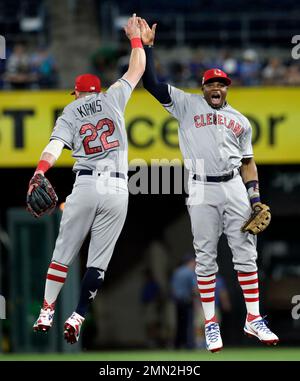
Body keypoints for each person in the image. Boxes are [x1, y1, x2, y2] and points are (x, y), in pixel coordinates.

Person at [139, 18, 279, 352]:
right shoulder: (187, 104)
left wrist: (254, 196)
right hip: (201, 186)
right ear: (203, 87)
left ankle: (253, 319)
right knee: (205, 257)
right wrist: (146, 48)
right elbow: (152, 84)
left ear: (227, 88)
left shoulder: (240, 121)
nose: (217, 87)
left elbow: (248, 162)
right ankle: (211, 323)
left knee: (246, 254)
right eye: (211, 83)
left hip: (233, 186)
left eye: (222, 83)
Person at [29, 14, 145, 344]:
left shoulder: (69, 113)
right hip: (118, 187)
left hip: (87, 182)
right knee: (99, 260)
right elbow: (136, 69)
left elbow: (53, 147)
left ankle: (47, 309)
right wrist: (135, 40)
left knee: (63, 252)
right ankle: (79, 313)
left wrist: (40, 171)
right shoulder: (113, 98)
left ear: (78, 93)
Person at [170, 254, 197, 349]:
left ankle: (177, 344)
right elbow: (194, 289)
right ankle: (189, 345)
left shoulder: (177, 272)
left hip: (178, 301)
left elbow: (172, 288)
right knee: (189, 323)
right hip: (187, 301)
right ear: (190, 262)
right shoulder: (190, 272)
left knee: (179, 323)